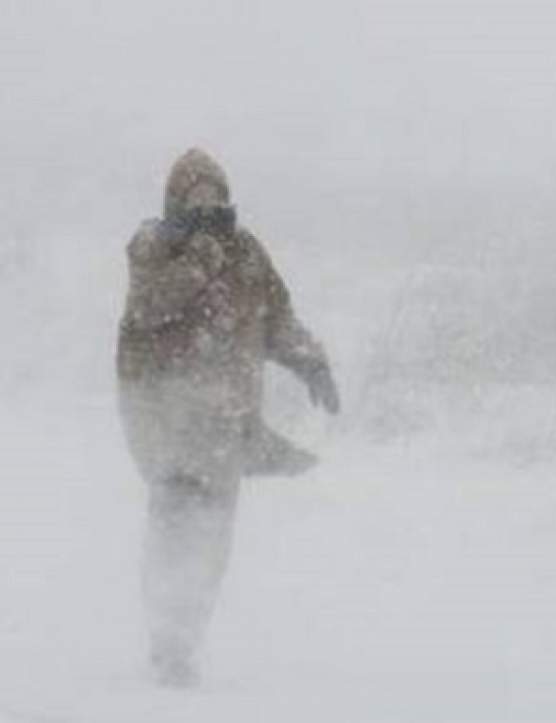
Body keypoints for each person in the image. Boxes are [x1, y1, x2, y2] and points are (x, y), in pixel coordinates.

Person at [116, 148, 341, 686]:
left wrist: (310, 359)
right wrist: (200, 254)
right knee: (171, 533)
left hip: (225, 427)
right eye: (194, 195)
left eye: (214, 194)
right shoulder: (154, 246)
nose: (206, 204)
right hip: (168, 424)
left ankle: (187, 641)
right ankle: (167, 643)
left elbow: (277, 318)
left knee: (213, 540)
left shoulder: (246, 252)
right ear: (173, 199)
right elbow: (148, 308)